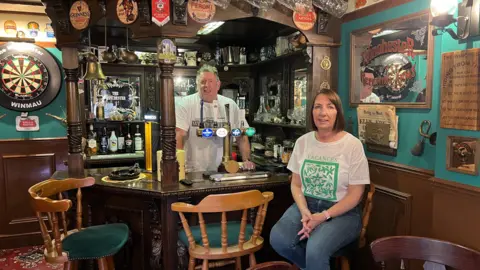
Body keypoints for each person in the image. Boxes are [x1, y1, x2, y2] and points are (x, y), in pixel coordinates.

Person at [269, 89, 370, 270]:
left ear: (337, 112)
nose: (323, 113)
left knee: (315, 250)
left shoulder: (352, 145)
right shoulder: (303, 142)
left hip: (342, 213)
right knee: (278, 239)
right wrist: (304, 211)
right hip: (307, 205)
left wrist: (323, 216)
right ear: (311, 112)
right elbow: (296, 184)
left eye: (329, 107)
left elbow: (356, 195)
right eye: (317, 107)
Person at [175, 64, 255, 172]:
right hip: (193, 171)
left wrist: (246, 160)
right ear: (197, 85)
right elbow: (179, 135)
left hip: (224, 170)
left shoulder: (230, 104)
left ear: (218, 85)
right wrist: (178, 167)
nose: (206, 85)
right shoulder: (185, 104)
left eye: (210, 81)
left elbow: (242, 136)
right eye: (202, 82)